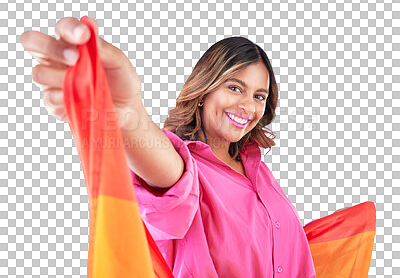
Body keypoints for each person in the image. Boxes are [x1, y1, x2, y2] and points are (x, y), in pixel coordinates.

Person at [21, 17, 316, 277]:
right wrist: (126, 115)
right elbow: (168, 175)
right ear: (204, 91)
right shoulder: (186, 166)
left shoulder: (261, 172)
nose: (248, 105)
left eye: (259, 96)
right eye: (235, 88)